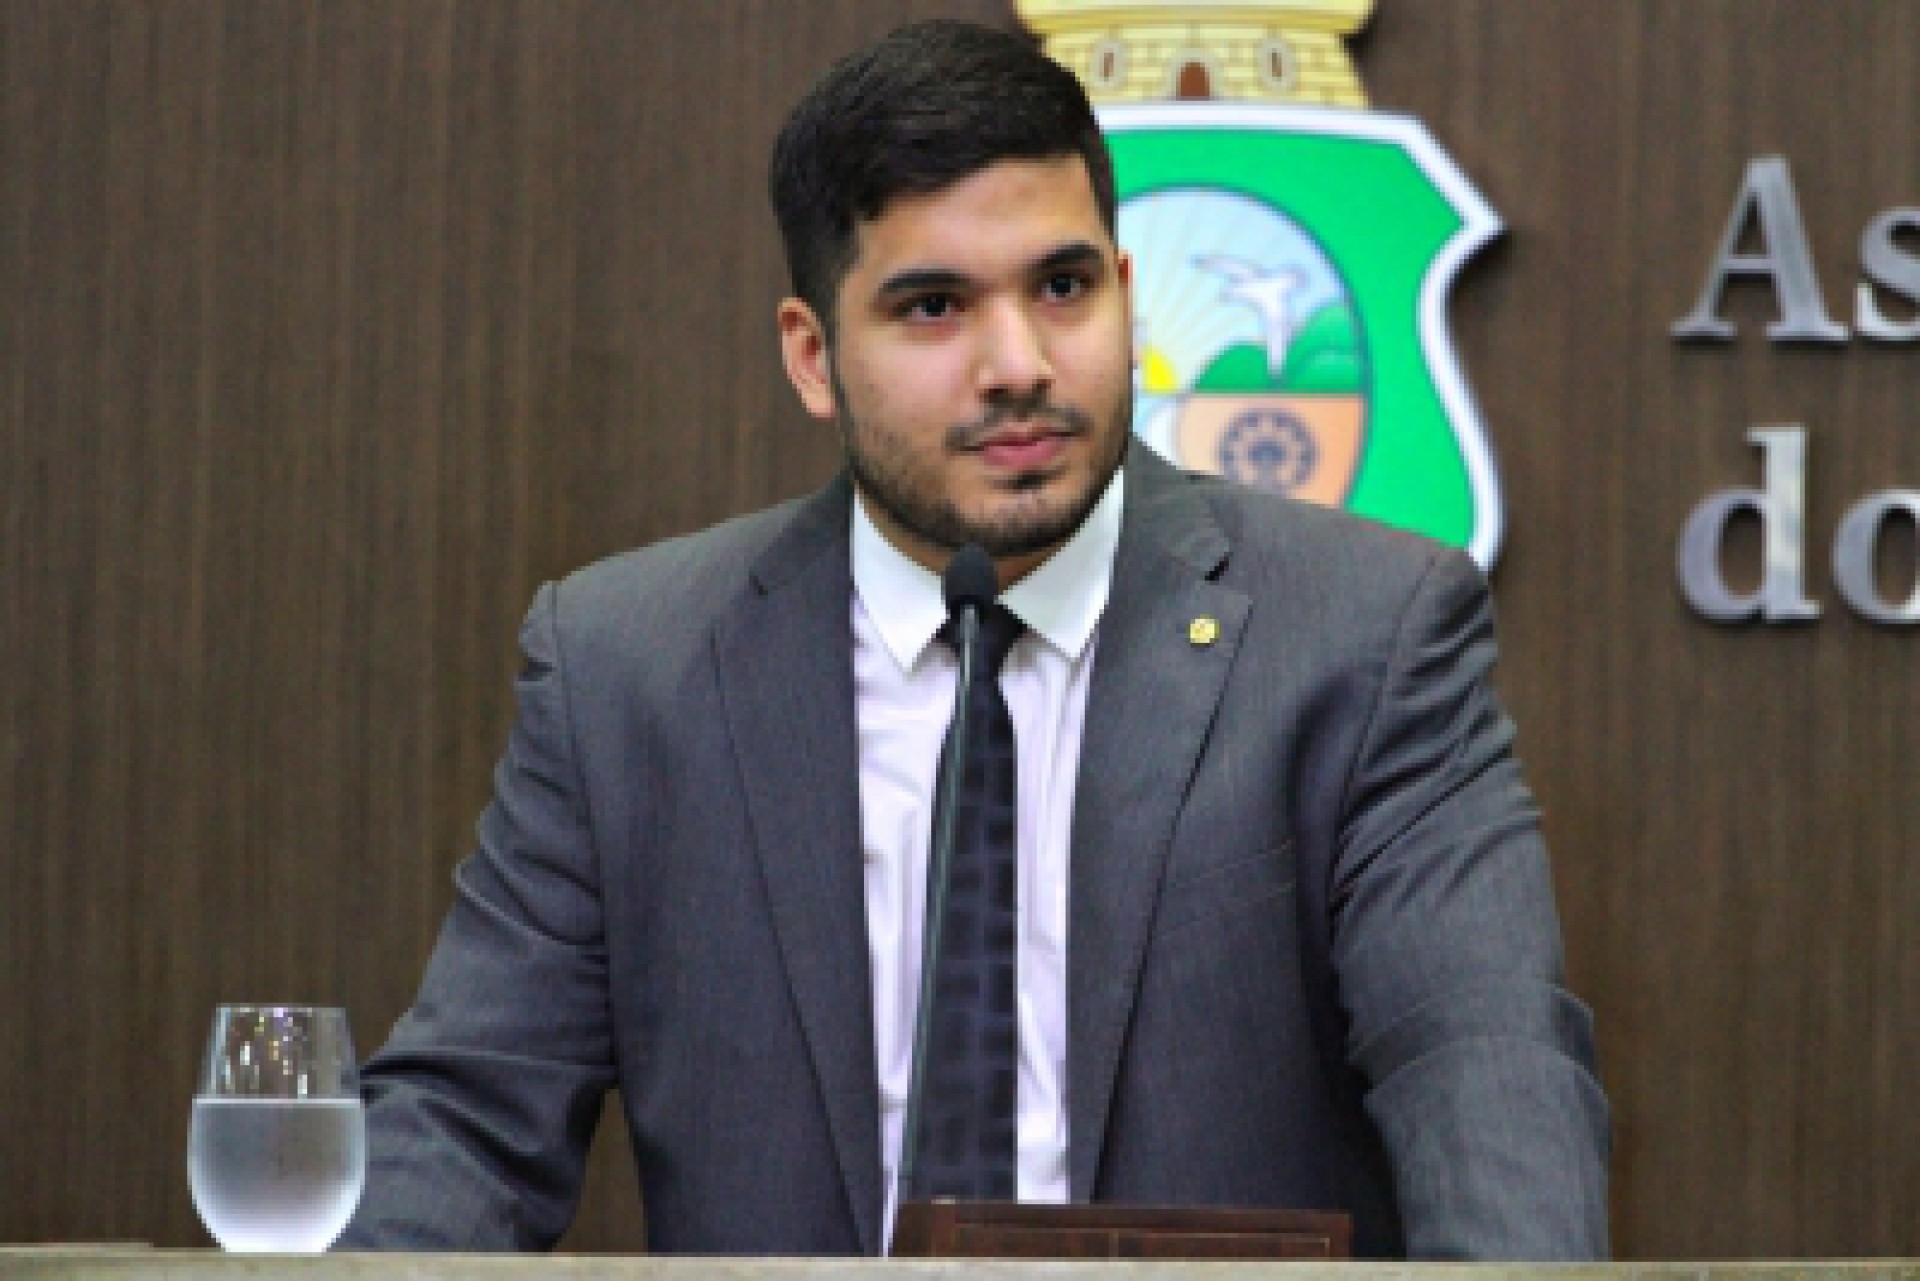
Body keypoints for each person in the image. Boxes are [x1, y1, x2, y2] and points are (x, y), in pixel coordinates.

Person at [338, 18, 1609, 1260]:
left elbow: (1484, 1061)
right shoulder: (628, 669)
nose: (1018, 363)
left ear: (1123, 290)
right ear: (813, 356)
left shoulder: (1365, 638)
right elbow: (466, 1118)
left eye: (1061, 287)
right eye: (934, 306)